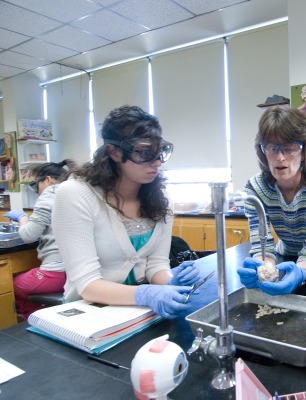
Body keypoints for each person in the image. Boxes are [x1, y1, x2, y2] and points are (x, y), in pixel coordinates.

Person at [52, 105, 206, 319]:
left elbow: (156, 264)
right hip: (88, 315)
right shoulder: (75, 194)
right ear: (114, 152)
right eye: (144, 152)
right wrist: (145, 293)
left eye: (160, 151)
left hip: (140, 314)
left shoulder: (162, 200)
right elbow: (88, 285)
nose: (158, 162)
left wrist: (169, 280)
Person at [238, 106, 306, 295]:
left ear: (305, 150)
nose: (280, 157)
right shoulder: (255, 189)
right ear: (262, 151)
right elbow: (261, 244)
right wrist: (261, 267)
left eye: (290, 148)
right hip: (290, 249)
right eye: (272, 147)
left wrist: (301, 273)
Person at [5, 160, 76, 319]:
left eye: (36, 183)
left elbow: (28, 236)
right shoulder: (75, 193)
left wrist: (23, 218)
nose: (36, 189)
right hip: (77, 271)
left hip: (57, 273)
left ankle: (34, 319)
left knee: (12, 284)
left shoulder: (50, 194)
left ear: (48, 180)